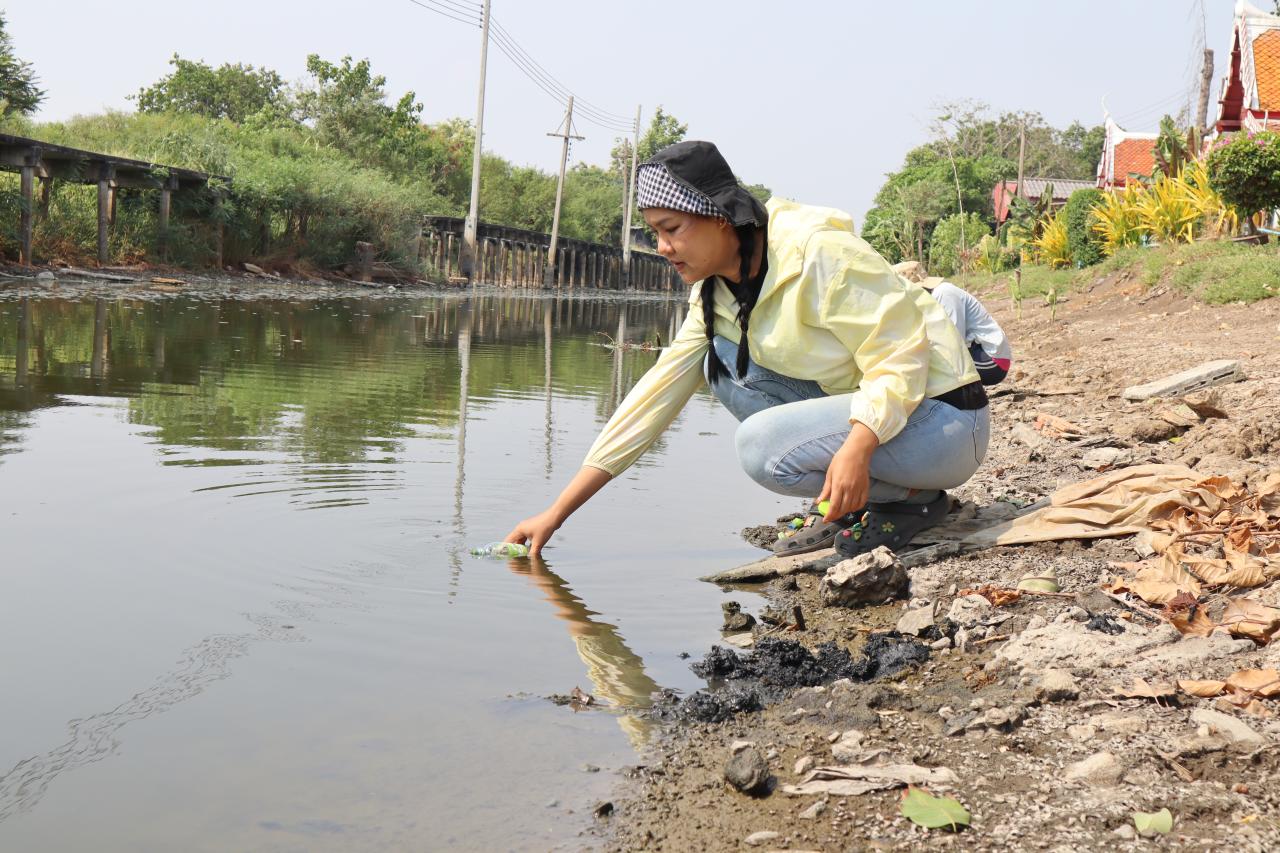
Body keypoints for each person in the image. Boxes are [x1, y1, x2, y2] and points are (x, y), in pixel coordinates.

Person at [505, 141, 990, 559]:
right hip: (892, 418)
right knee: (721, 365)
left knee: (760, 447)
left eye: (672, 229)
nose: (662, 247)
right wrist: (556, 513)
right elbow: (652, 400)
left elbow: (901, 354)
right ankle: (866, 497)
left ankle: (909, 499)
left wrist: (857, 447)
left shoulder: (820, 254)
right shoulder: (716, 292)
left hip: (944, 420)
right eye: (655, 232)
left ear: (720, 218)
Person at [893, 263, 1013, 386]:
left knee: (929, 364)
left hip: (992, 359)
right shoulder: (932, 297)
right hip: (977, 353)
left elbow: (953, 341)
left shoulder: (944, 293)